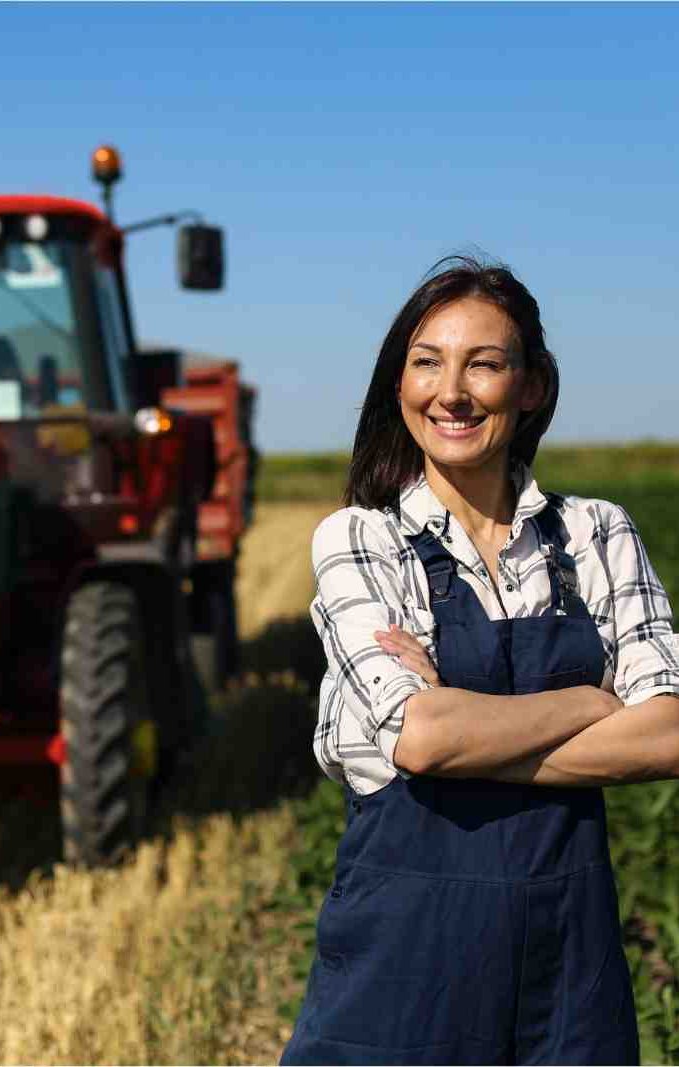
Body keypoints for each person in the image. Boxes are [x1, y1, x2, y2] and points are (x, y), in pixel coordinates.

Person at [280, 257, 679, 1066]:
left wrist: (461, 729)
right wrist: (587, 703)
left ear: (530, 387)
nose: (450, 392)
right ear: (399, 383)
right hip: (401, 973)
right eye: (426, 361)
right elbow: (421, 738)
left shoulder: (596, 533)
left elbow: (669, 732)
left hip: (566, 975)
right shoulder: (362, 538)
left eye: (484, 364)